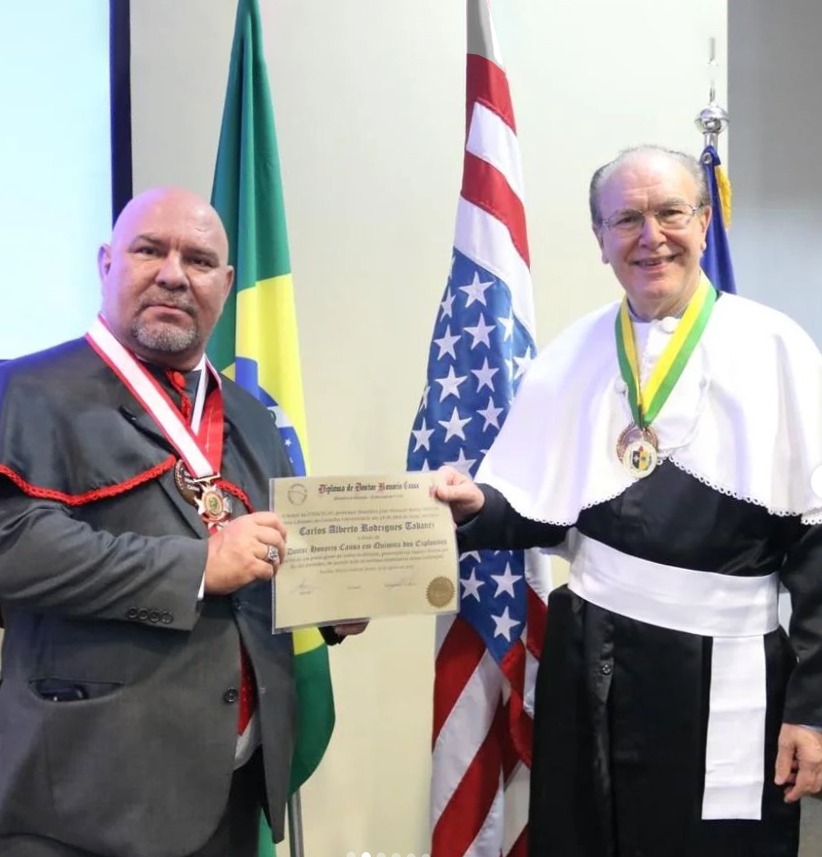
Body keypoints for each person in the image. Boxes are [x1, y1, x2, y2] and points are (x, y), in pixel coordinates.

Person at [433, 145, 822, 857]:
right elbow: (538, 504)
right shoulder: (576, 350)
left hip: (721, 672)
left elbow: (820, 553)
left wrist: (814, 709)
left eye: (671, 212)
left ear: (704, 222)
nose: (652, 237)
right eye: (627, 219)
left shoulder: (777, 348)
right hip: (590, 656)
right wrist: (474, 505)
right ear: (600, 237)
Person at [0, 186, 365, 857]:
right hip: (81, 802)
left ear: (225, 284)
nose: (173, 274)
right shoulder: (19, 390)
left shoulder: (251, 417)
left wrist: (323, 598)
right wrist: (199, 565)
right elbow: (14, 548)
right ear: (106, 263)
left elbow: (266, 556)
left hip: (233, 789)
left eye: (198, 260)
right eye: (149, 250)